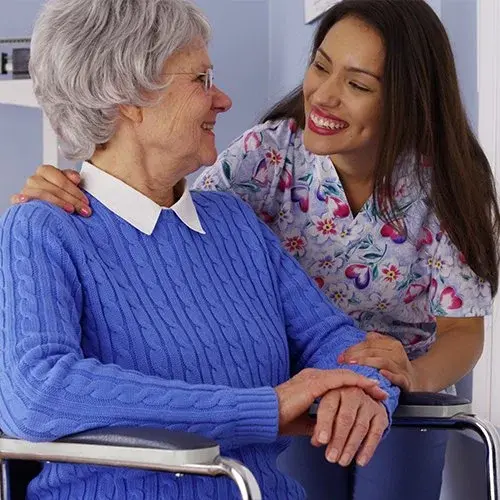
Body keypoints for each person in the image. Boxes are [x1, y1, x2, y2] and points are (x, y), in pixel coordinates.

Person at [10, 0, 499, 499]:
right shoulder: (45, 227)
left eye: (357, 84)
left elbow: (335, 336)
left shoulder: (235, 221)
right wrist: (266, 405)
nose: (223, 99)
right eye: (202, 79)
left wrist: (357, 383)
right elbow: (38, 392)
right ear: (131, 98)